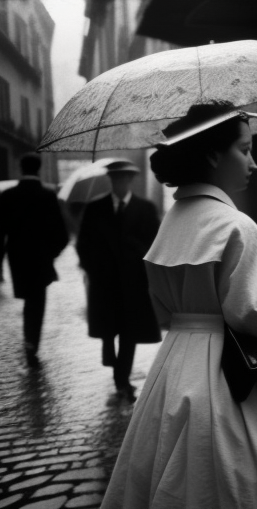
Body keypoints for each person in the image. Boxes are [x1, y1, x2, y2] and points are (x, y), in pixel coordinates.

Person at [100, 102, 257, 509]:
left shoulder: (171, 223)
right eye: (245, 150)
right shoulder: (235, 225)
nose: (254, 163)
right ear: (212, 155)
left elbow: (162, 310)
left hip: (175, 367)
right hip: (236, 375)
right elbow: (254, 318)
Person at [76, 160, 161, 402]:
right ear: (111, 181)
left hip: (133, 284)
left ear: (130, 180)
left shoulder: (145, 208)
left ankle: (122, 382)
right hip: (104, 283)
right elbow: (83, 244)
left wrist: (136, 249)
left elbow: (155, 245)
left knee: (128, 333)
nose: (120, 183)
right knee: (108, 326)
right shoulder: (95, 208)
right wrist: (93, 267)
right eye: (116, 179)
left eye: (124, 178)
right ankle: (108, 350)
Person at [0, 153, 69, 366]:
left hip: (17, 258)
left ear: (20, 169)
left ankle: (29, 340)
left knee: (28, 299)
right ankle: (31, 343)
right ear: (39, 169)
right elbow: (62, 233)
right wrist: (51, 253)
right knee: (37, 301)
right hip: (41, 258)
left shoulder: (8, 195)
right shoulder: (47, 195)